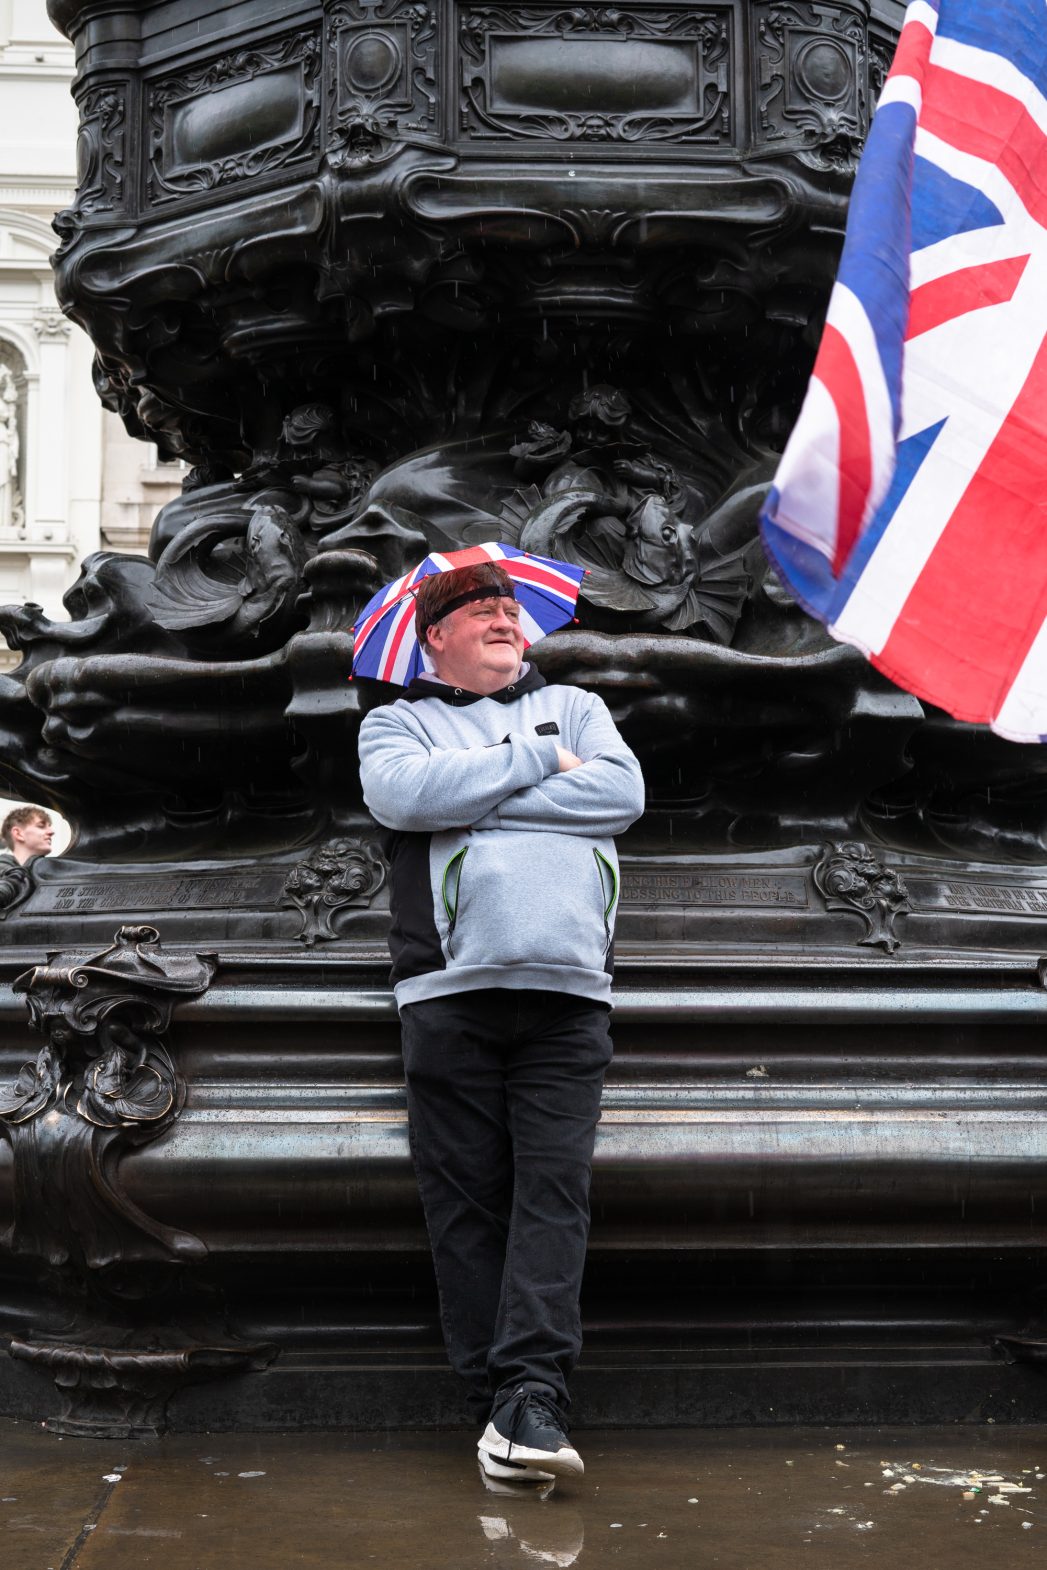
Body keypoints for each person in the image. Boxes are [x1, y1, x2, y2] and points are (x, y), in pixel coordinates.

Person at [358, 561, 645, 1484]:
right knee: (467, 1208)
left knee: (553, 1197)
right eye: (476, 609)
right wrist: (533, 760)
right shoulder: (394, 723)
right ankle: (500, 1411)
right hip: (448, 992)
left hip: (567, 994)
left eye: (509, 608)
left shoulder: (579, 707)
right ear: (432, 637)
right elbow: (404, 798)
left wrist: (473, 790)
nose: (500, 617)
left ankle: (533, 1398)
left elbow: (621, 798)